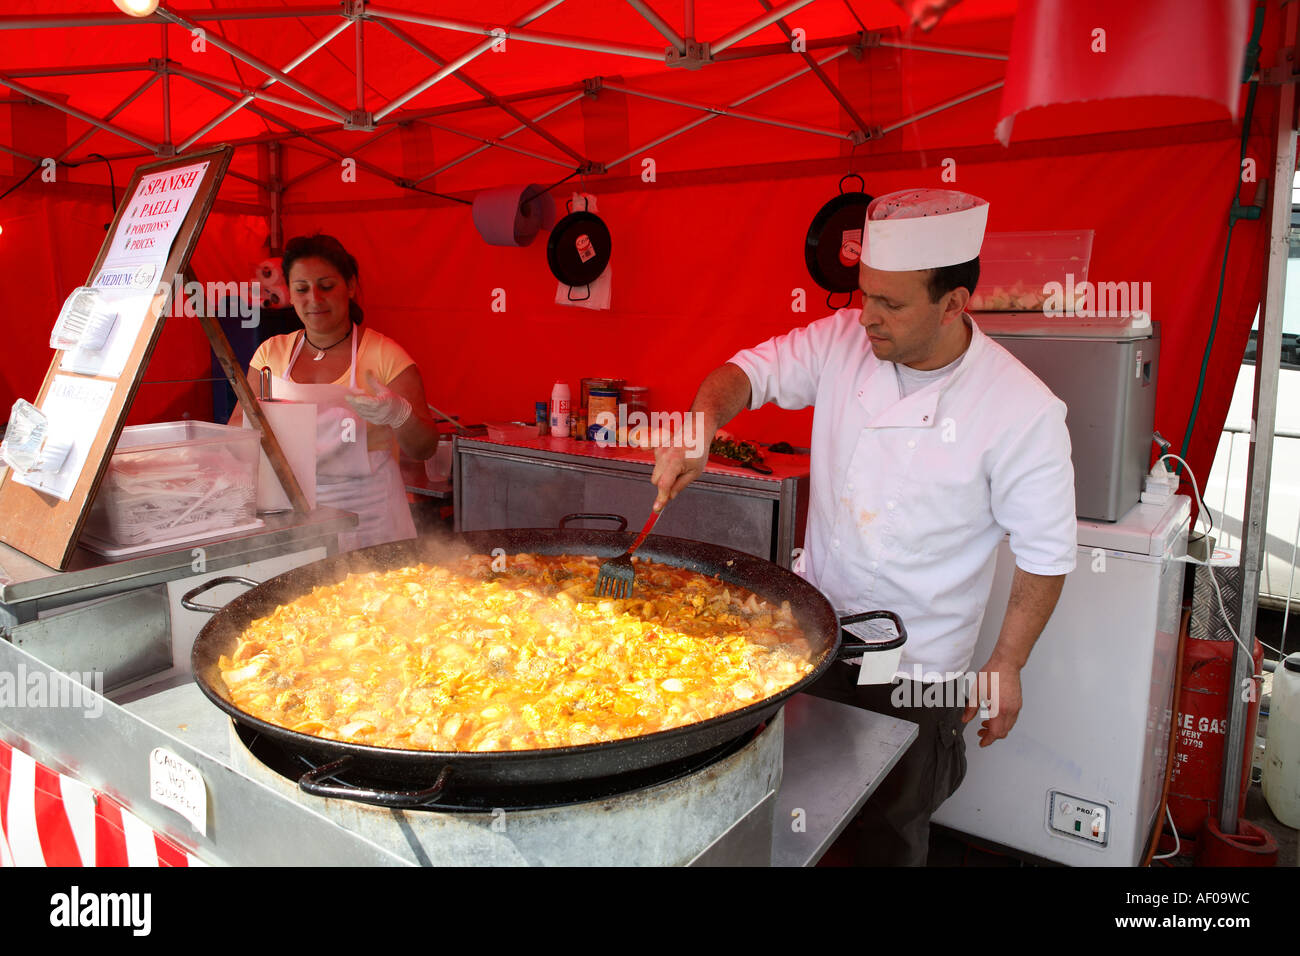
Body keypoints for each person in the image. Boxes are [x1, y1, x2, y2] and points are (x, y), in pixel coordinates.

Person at [650, 189, 1077, 865]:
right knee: (789, 817)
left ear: (954, 304)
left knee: (886, 834)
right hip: (812, 639)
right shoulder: (843, 341)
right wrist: (701, 423)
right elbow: (746, 373)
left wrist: (1008, 663)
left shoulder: (1022, 410)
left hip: (917, 669)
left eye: (891, 304)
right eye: (863, 295)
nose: (867, 317)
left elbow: (1047, 554)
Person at [233, 234, 439, 551]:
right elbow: (238, 431)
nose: (314, 298)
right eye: (301, 289)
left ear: (351, 286)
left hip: (371, 520)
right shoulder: (269, 354)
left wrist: (399, 414)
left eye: (326, 286)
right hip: (294, 518)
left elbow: (424, 448)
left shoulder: (385, 355)